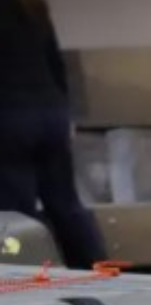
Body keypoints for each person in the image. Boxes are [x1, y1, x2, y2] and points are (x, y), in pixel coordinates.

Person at [0, 0, 107, 269]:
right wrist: (66, 116)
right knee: (66, 204)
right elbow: (56, 63)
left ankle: (23, 277)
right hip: (51, 114)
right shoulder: (33, 7)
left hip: (10, 120)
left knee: (16, 213)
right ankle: (98, 268)